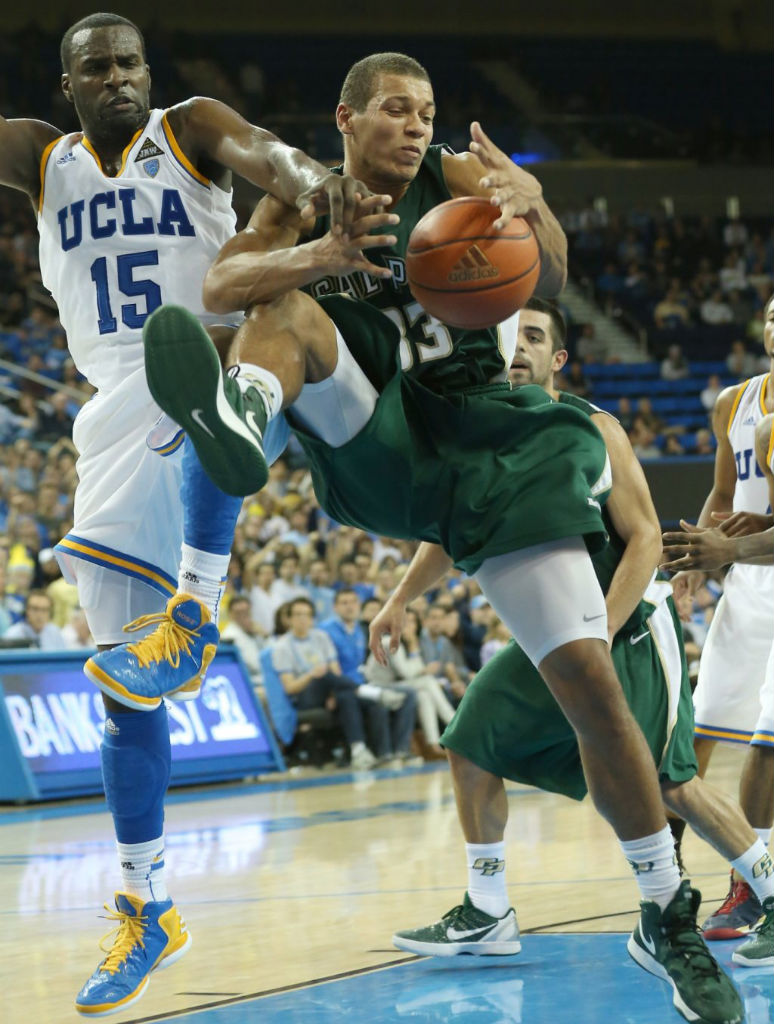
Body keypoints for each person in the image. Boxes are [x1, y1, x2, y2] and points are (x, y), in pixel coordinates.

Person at [134, 53, 740, 1020]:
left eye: (425, 112)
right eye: (395, 111)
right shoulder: (310, 198)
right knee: (278, 306)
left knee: (587, 683)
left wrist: (533, 207)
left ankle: (664, 909)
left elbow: (555, 274)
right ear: (346, 116)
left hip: (488, 441)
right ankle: (241, 416)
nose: (416, 127)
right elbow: (224, 279)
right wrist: (324, 255)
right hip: (379, 436)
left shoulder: (453, 180)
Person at [0, 12, 379, 1016]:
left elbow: (278, 161)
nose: (117, 77)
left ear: (146, 71)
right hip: (109, 409)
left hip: (212, 358)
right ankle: (147, 901)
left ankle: (201, 601)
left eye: (128, 62)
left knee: (226, 376)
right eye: (96, 67)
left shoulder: (189, 125)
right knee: (122, 688)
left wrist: (313, 196)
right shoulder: (42, 157)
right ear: (69, 82)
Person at [386, 299, 773, 979]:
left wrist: (596, 637)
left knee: (670, 783)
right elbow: (448, 536)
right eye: (510, 334)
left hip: (620, 626)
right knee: (471, 742)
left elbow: (647, 538)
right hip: (552, 638)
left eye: (535, 337)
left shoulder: (594, 426)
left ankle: (768, 889)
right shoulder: (483, 435)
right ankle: (487, 908)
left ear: (558, 360)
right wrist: (397, 600)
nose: (519, 347)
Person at [669, 293, 774, 942]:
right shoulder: (735, 404)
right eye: (771, 312)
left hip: (752, 558)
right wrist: (698, 555)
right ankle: (668, 880)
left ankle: (752, 886)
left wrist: (730, 546)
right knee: (699, 734)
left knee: (768, 741)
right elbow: (724, 493)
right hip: (749, 583)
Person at [270, 596, 377, 769]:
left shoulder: (321, 637)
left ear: (312, 618)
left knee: (346, 696)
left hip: (329, 690)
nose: (302, 619)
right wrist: (311, 675)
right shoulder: (282, 647)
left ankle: (359, 751)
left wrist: (333, 693)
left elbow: (336, 672)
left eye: (306, 615)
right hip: (304, 697)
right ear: (289, 619)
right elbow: (290, 688)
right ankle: (368, 691)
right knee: (322, 673)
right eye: (297, 615)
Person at [320, 588, 417, 763]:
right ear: (334, 607)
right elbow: (327, 668)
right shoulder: (325, 631)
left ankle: (401, 750)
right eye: (344, 603)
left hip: (365, 683)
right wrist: (331, 692)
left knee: (409, 693)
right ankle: (384, 754)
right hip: (345, 689)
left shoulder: (359, 629)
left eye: (353, 602)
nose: (350, 607)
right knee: (377, 702)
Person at [365, 605, 455, 757]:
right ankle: (455, 723)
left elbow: (415, 672)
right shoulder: (389, 641)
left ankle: (433, 744)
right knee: (428, 681)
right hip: (379, 687)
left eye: (413, 622)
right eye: (405, 622)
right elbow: (407, 673)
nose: (409, 627)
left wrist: (420, 663)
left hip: (397, 685)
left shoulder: (405, 641)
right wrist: (414, 648)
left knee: (424, 695)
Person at [3, 589, 68, 649]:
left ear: (50, 613)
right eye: (35, 609)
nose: (39, 614)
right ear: (26, 610)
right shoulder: (13, 635)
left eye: (44, 610)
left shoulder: (55, 632)